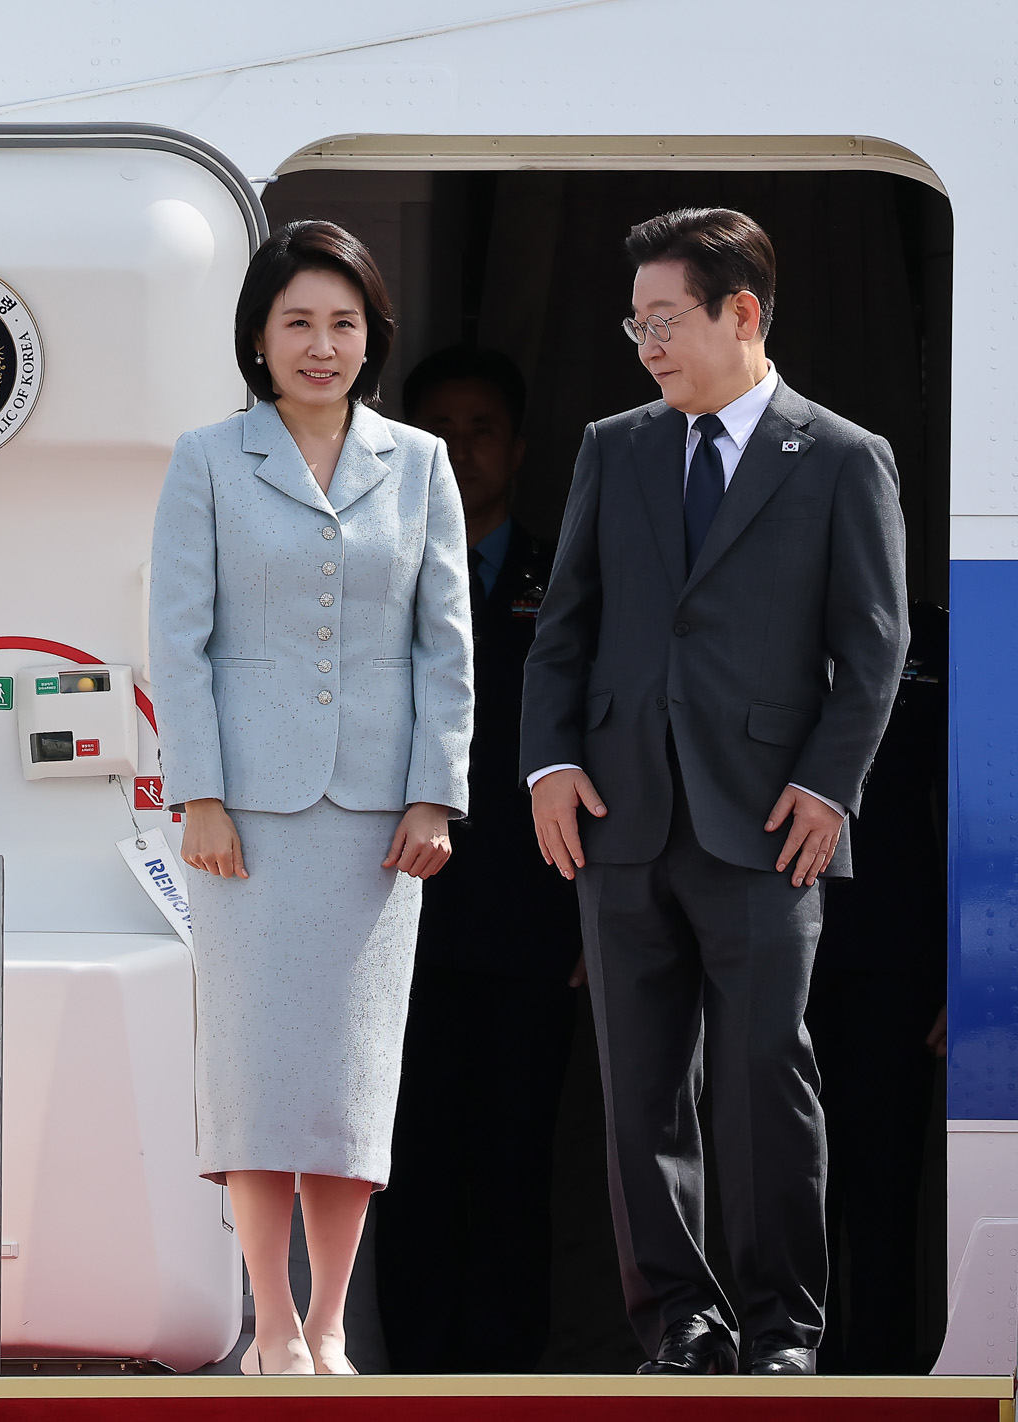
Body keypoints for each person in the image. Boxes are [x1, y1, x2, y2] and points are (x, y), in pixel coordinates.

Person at [519, 208, 909, 1376]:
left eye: (665, 321)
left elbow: (874, 646)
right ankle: (679, 1330)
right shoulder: (614, 445)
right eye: (633, 324)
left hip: (765, 823)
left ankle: (782, 1331)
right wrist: (548, 765)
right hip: (619, 814)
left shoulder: (840, 456)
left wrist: (827, 786)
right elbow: (564, 628)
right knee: (638, 1091)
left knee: (759, 1083)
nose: (645, 345)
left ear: (742, 314)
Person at [149, 219, 475, 1377]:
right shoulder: (205, 459)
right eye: (297, 323)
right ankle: (268, 1327)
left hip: (376, 822)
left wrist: (435, 795)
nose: (320, 345)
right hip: (244, 817)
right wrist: (199, 793)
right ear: (258, 337)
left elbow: (446, 645)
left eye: (341, 323)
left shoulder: (420, 462)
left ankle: (328, 1325)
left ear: (369, 334)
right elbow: (177, 644)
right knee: (254, 1070)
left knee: (348, 1073)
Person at [373, 346, 582, 1373]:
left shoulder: (568, 581)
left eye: (480, 430)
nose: (458, 452)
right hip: (391, 922)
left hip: (532, 927)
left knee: (513, 1169)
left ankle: (503, 1378)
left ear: (518, 449)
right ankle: (413, 1376)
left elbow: (612, 748)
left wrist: (599, 916)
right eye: (437, 431)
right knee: (402, 1163)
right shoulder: (368, 573)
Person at [809, 600, 948, 1374]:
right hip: (778, 951)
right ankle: (795, 1374)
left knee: (886, 1191)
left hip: (898, 957)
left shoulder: (932, 637)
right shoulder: (772, 608)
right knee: (791, 1189)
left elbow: (969, 806)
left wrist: (968, 973)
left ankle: (886, 1378)